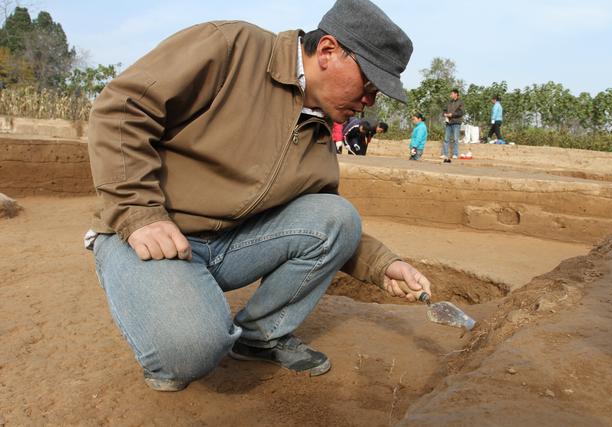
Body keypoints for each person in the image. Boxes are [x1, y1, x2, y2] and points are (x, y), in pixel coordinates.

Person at [86, 0, 432, 392]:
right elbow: (123, 106)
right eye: (369, 83)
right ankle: (163, 320)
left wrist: (381, 264)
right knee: (189, 351)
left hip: (230, 244)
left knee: (337, 215)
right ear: (328, 51)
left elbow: (324, 226)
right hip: (153, 235)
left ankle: (263, 336)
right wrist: (137, 210)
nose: (370, 100)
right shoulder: (232, 47)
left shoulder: (318, 133)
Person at [442, 89, 464, 161]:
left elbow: (460, 112)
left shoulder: (460, 102)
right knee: (446, 139)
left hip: (456, 123)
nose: (450, 95)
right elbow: (444, 110)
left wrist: (452, 114)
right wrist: (445, 114)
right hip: (448, 123)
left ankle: (455, 154)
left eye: (451, 94)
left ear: (456, 94)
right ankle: (445, 154)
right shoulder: (449, 102)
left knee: (455, 139)